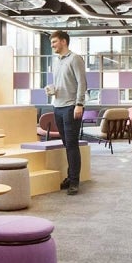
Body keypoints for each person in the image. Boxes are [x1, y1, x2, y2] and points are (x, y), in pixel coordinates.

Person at [47, 30, 87, 195]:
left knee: (72, 145)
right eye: (51, 43)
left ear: (63, 41)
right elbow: (60, 83)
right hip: (58, 106)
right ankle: (71, 177)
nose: (53, 46)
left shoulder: (75, 59)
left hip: (71, 106)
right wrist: (51, 90)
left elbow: (82, 83)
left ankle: (74, 181)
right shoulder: (56, 61)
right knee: (67, 144)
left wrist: (79, 104)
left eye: (54, 42)